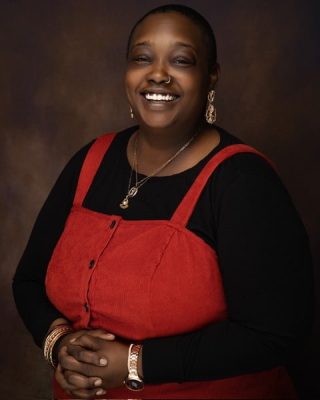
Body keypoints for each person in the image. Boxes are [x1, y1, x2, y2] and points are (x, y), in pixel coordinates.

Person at [12, 4, 313, 399]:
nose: (157, 74)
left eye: (181, 60)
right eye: (142, 58)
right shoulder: (91, 160)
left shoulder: (242, 181)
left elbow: (274, 334)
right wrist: (60, 345)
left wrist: (135, 364)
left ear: (211, 77)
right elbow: (29, 280)